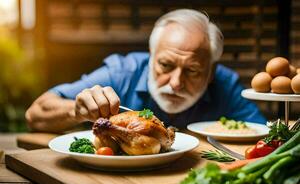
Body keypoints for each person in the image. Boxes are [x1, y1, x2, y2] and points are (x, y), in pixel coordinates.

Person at [25, 9, 266, 133]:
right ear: (151, 58)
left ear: (211, 73)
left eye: (192, 70)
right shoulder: (122, 72)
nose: (175, 83)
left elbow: (265, 136)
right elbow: (34, 114)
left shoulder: (225, 84)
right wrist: (75, 111)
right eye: (166, 65)